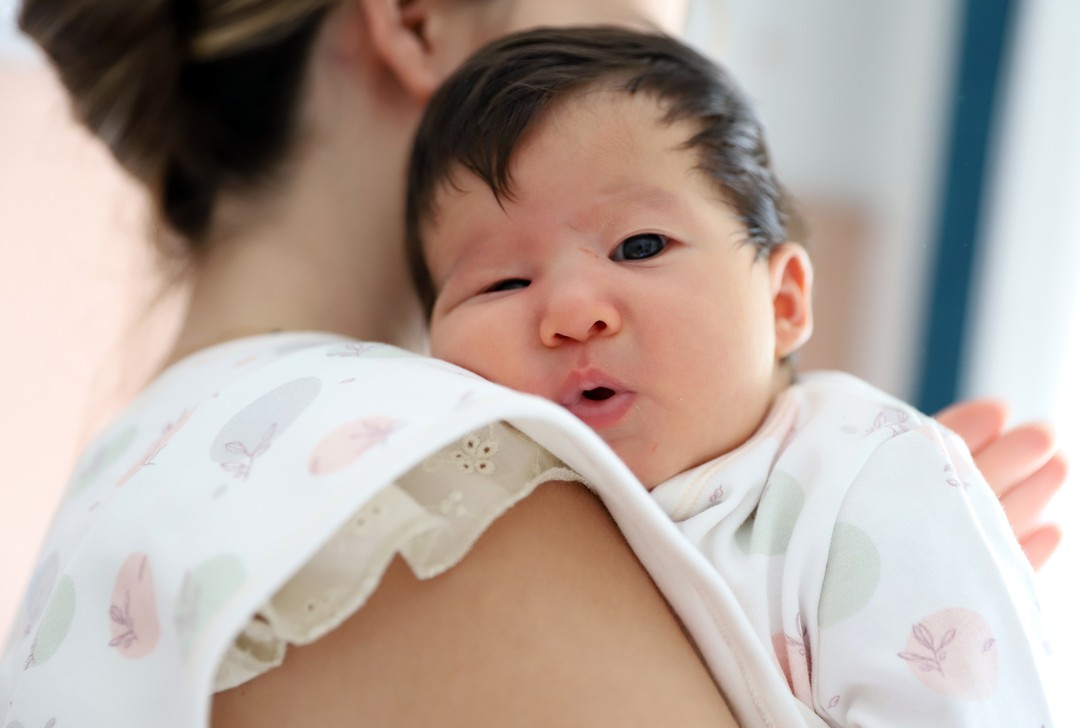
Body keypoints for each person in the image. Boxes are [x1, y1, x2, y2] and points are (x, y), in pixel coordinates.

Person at [0, 1, 1063, 727]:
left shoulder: (141, 475)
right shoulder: (429, 485)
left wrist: (813, 570)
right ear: (417, 19)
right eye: (641, 23)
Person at [406, 27, 1054, 725]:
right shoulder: (471, 516)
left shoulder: (861, 480)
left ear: (782, 304)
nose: (570, 311)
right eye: (501, 282)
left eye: (640, 246)